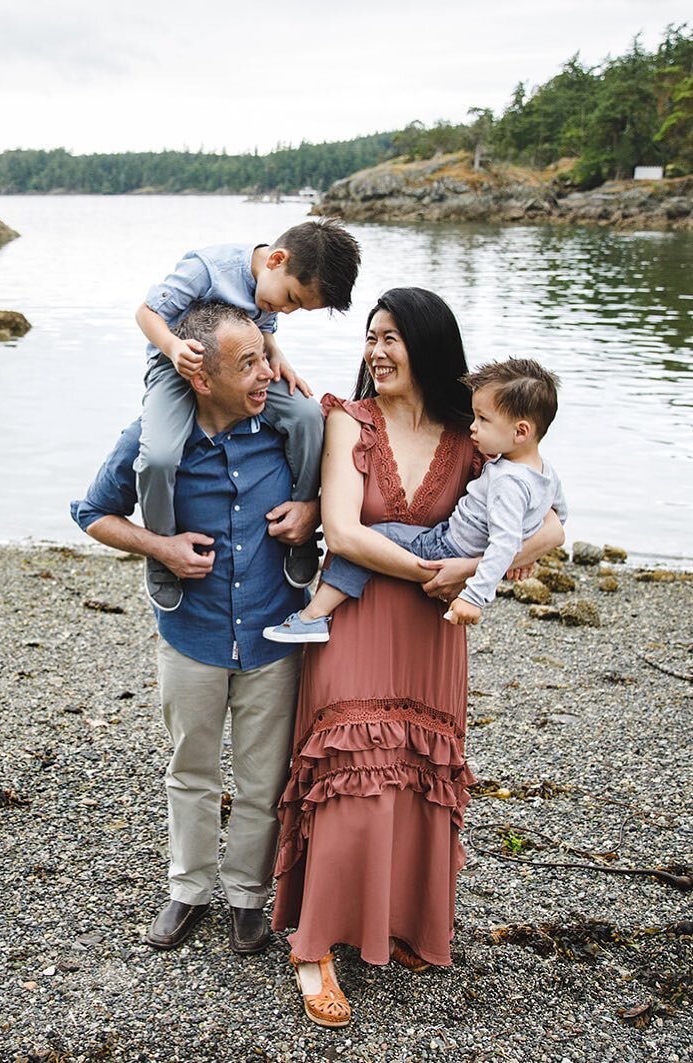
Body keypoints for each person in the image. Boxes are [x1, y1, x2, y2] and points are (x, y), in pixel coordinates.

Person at [269, 288, 564, 1029]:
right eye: (370, 336)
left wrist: (474, 570)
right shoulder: (348, 418)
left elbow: (551, 522)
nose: (375, 350)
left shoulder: (476, 435)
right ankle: (314, 946)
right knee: (348, 777)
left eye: (391, 337)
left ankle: (397, 921)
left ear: (427, 345)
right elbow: (343, 529)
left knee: (415, 778)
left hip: (434, 633)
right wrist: (434, 571)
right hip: (361, 618)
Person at [71, 302, 319, 955]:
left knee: (265, 777)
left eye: (263, 357)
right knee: (191, 769)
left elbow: (357, 495)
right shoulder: (152, 443)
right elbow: (91, 512)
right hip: (191, 635)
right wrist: (161, 546)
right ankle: (187, 888)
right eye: (247, 365)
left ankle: (245, 897)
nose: (266, 373)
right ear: (201, 378)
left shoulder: (285, 432)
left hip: (274, 634)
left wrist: (312, 509)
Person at [134, 219, 360, 611]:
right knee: (158, 457)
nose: (286, 310)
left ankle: (302, 523)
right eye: (291, 298)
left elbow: (265, 332)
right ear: (276, 259)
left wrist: (278, 357)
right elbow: (147, 313)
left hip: (241, 371)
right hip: (175, 367)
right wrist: (172, 347)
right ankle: (162, 551)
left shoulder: (270, 290)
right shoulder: (208, 267)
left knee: (306, 414)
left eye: (298, 308)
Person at [263, 357, 567, 642]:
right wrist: (523, 554)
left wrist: (474, 596)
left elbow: (504, 541)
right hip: (460, 545)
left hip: (445, 546)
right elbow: (556, 515)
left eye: (483, 420)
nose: (473, 426)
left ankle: (314, 614)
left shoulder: (506, 481)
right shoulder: (545, 473)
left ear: (521, 431)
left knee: (373, 538)